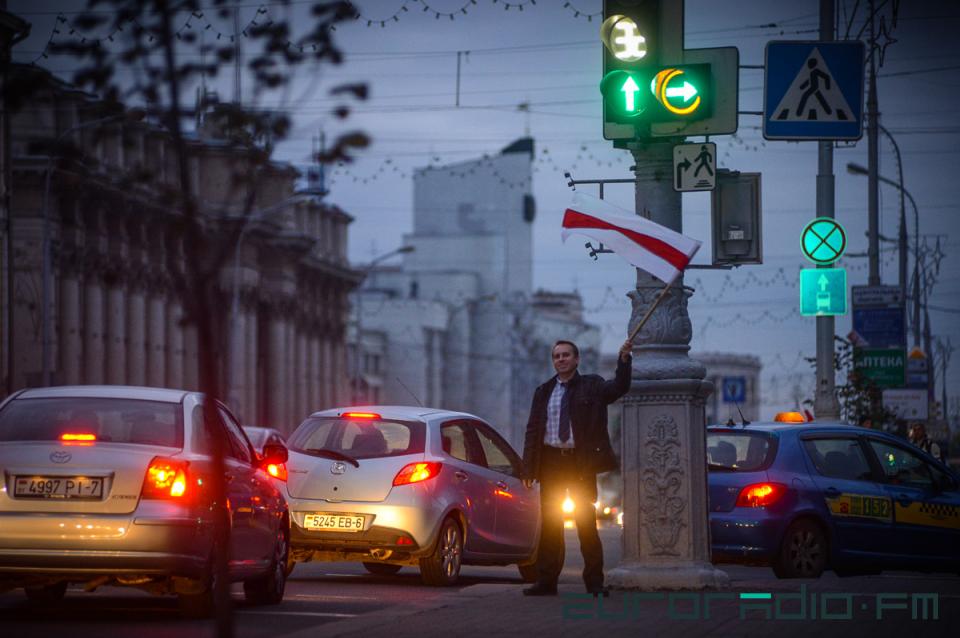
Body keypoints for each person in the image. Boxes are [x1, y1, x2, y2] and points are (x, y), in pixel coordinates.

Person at [521, 338, 632, 598]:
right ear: (553, 361)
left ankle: (594, 582)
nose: (561, 359)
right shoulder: (543, 391)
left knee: (585, 524)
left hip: (579, 463)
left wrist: (624, 361)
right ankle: (546, 582)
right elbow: (533, 431)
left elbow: (619, 387)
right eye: (557, 356)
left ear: (576, 359)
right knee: (550, 526)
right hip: (550, 463)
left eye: (566, 355)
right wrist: (528, 469)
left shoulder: (591, 386)